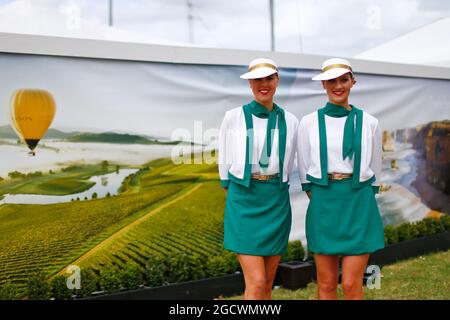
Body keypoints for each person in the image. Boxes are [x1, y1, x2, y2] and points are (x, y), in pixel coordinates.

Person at [297, 58, 385, 300]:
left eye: (343, 80)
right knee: (325, 285)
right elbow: (305, 167)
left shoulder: (370, 122)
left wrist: (363, 193)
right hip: (324, 203)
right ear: (323, 85)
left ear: (352, 82)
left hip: (359, 202)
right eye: (331, 81)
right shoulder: (309, 122)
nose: (338, 86)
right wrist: (321, 195)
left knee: (350, 285)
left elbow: (375, 167)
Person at [218, 58, 299, 300]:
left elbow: (293, 160)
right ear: (250, 83)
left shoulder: (291, 121)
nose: (263, 84)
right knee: (257, 281)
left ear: (277, 80)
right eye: (257, 80)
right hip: (244, 200)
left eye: (269, 78)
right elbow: (224, 160)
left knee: (267, 284)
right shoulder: (234, 117)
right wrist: (234, 197)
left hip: (276, 201)